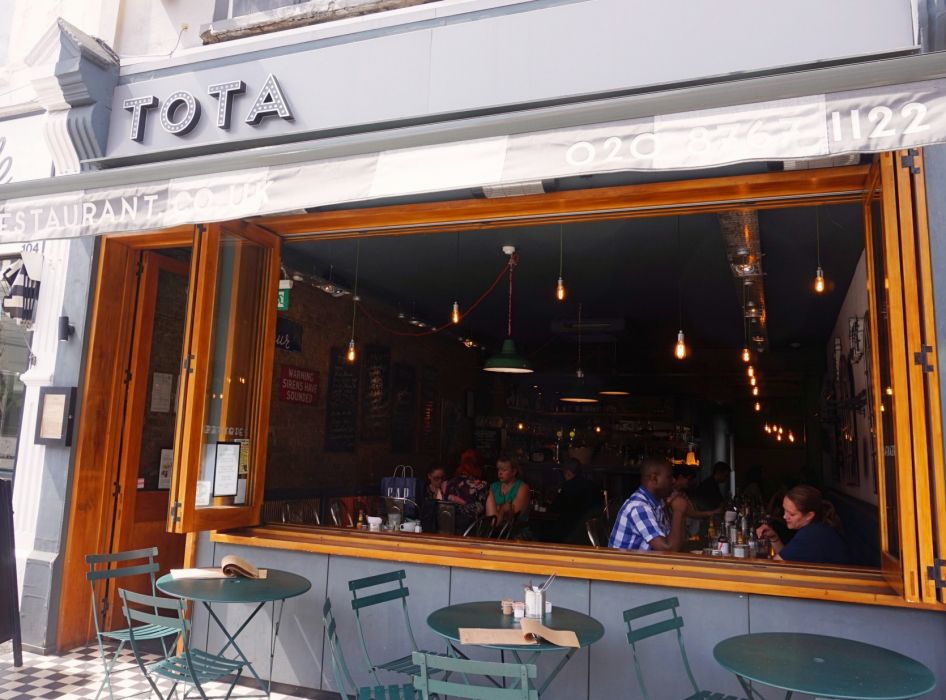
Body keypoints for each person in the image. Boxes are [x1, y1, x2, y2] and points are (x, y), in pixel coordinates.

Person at [755, 485, 850, 565]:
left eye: (791, 514)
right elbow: (786, 559)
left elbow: (774, 567)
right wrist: (774, 538)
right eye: (785, 510)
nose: (784, 516)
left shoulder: (811, 534)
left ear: (809, 515)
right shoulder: (820, 526)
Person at [608, 458, 688, 552]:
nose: (674, 480)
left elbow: (675, 542)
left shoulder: (658, 503)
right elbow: (668, 549)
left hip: (644, 560)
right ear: (654, 478)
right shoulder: (639, 507)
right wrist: (678, 511)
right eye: (669, 477)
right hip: (625, 561)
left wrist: (680, 513)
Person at [549, 458, 601, 543]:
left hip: (569, 533)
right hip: (591, 534)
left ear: (568, 473)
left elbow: (554, 508)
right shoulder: (593, 486)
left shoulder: (567, 487)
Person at [443, 449, 488, 533]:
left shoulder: (449, 483)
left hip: (448, 530)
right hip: (470, 532)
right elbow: (479, 511)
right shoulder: (481, 485)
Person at [485, 453, 530, 524]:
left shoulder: (523, 487)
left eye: (504, 470)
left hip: (515, 529)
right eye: (499, 469)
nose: (500, 473)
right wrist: (503, 508)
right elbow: (489, 514)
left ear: (514, 472)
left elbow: (513, 515)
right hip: (494, 527)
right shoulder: (493, 486)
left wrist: (498, 508)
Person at [418, 464, 446, 533]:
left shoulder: (445, 489)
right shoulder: (424, 491)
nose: (440, 481)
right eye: (436, 478)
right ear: (429, 476)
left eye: (442, 478)